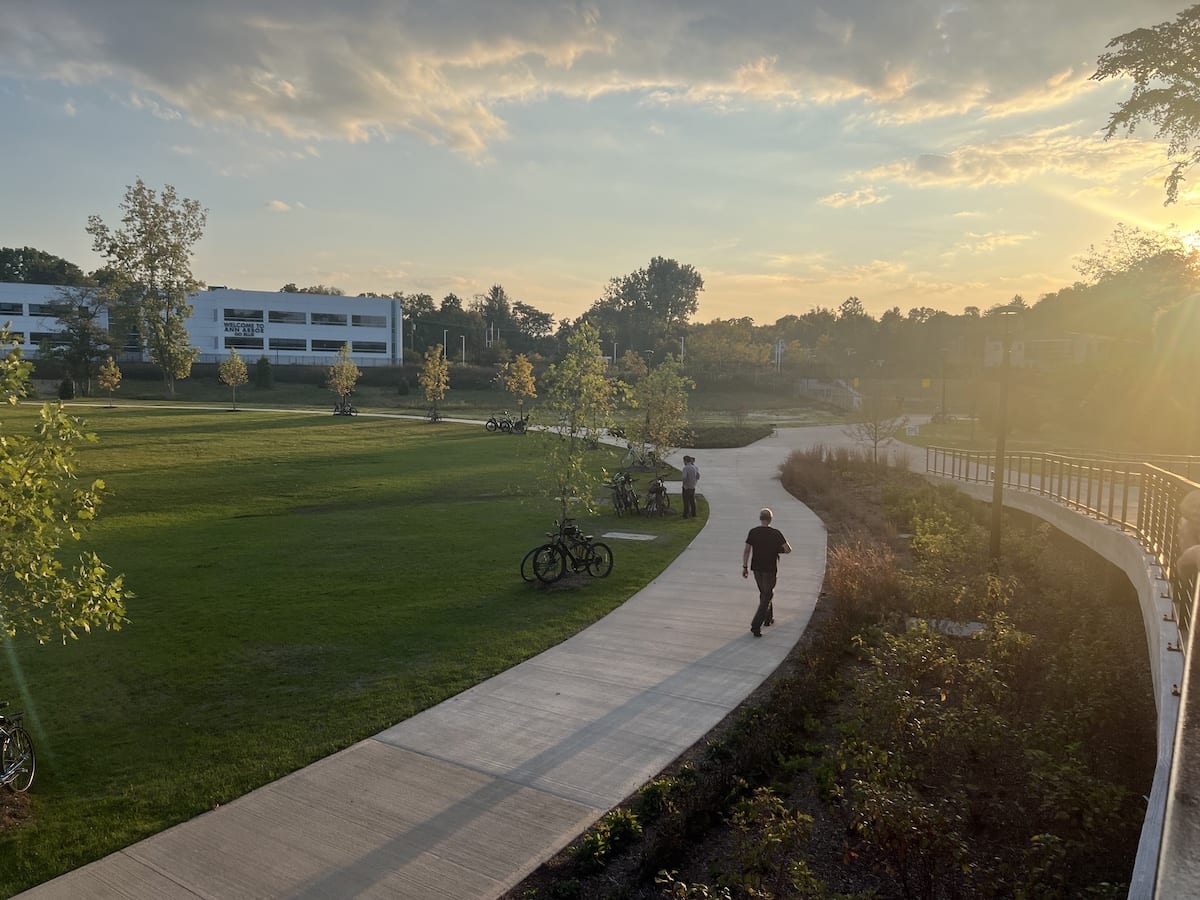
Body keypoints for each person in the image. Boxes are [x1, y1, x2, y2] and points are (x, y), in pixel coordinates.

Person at [742, 507, 792, 637]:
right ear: (771, 519)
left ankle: (768, 618)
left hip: (756, 568)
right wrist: (776, 550)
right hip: (770, 569)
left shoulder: (753, 532)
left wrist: (745, 567)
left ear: (760, 518)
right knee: (767, 595)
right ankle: (756, 625)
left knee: (764, 593)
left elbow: (747, 550)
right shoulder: (776, 533)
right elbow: (788, 549)